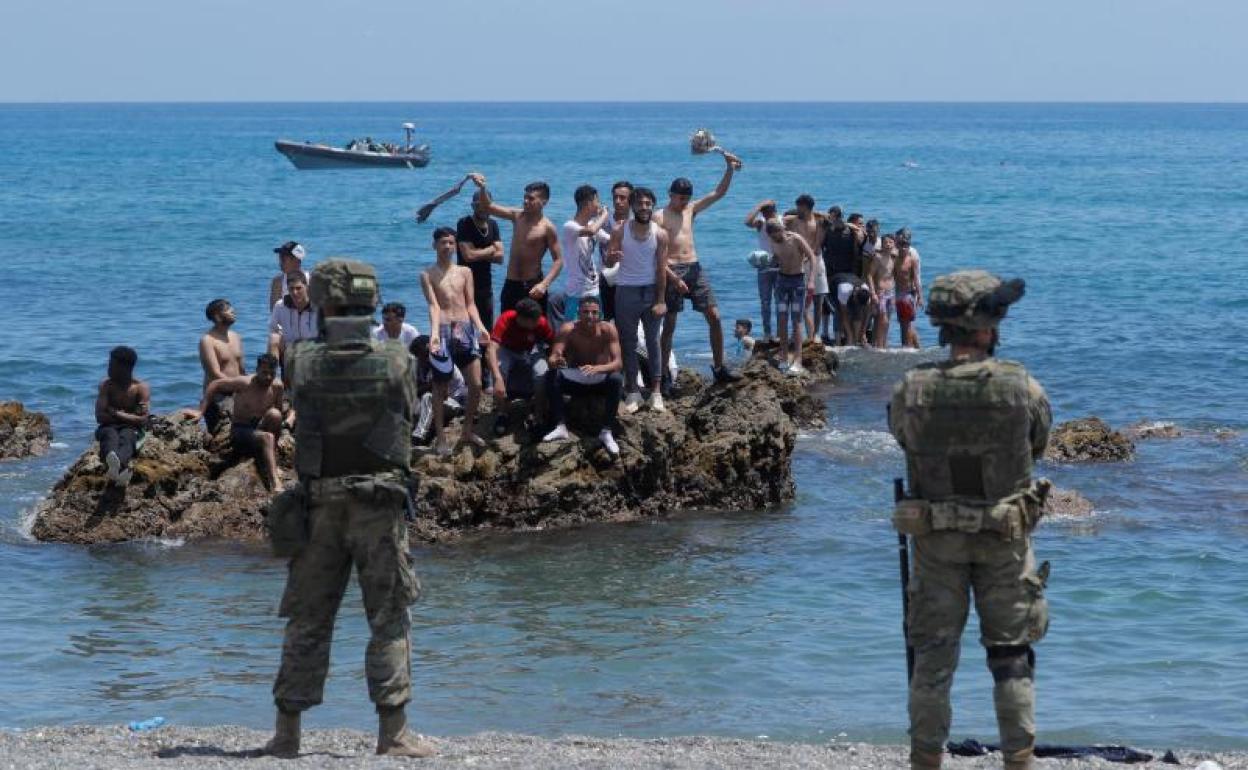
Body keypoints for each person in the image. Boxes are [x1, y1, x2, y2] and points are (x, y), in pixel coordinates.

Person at [264, 259, 431, 759]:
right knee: (389, 617)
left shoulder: (303, 361)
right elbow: (405, 405)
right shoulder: (398, 359)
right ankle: (393, 734)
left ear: (321, 301)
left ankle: (287, 735)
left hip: (320, 505)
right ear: (371, 302)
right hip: (378, 505)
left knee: (308, 618)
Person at [888, 270, 1051, 770]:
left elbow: (902, 437)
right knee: (1011, 660)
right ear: (985, 328)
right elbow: (1038, 442)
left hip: (937, 542)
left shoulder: (911, 390)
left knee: (932, 662)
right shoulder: (1020, 386)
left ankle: (925, 761)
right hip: (1003, 538)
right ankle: (1018, 761)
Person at [656, 151, 743, 386]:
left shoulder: (691, 210)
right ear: (670, 195)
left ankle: (719, 367)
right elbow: (656, 256)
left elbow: (719, 193)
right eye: (679, 197)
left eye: (686, 198)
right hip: (671, 270)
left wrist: (729, 169)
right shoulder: (658, 217)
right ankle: (663, 375)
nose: (683, 202)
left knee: (714, 316)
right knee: (670, 325)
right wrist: (673, 279)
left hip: (695, 268)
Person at [421, 226, 490, 452]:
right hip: (442, 329)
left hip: (465, 328)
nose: (448, 246)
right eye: (443, 242)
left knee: (477, 384)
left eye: (451, 242)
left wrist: (480, 327)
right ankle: (441, 438)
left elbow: (471, 304)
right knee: (440, 388)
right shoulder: (427, 274)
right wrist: (433, 335)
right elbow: (433, 306)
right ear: (435, 245)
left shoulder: (464, 272)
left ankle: (467, 430)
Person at [604, 186, 669, 412]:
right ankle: (632, 391)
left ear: (652, 206)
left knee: (653, 342)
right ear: (632, 206)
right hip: (626, 291)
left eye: (648, 204)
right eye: (640, 204)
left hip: (651, 292)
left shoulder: (660, 233)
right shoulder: (620, 230)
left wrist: (661, 300)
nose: (644, 208)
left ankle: (656, 392)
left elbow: (661, 269)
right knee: (628, 343)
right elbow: (609, 262)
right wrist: (612, 256)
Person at [188, 353, 286, 490]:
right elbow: (215, 384)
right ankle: (275, 482)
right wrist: (200, 411)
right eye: (264, 372)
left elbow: (279, 413)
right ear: (257, 369)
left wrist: (279, 433)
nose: (268, 377)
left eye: (272, 373)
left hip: (259, 427)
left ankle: (270, 456)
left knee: (275, 415)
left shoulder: (277, 387)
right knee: (267, 437)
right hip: (240, 431)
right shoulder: (244, 383)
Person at [541, 296, 624, 457]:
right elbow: (552, 357)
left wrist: (599, 368)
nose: (590, 316)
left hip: (599, 379)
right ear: (578, 313)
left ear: (600, 313)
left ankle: (606, 431)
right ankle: (560, 426)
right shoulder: (568, 329)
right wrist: (556, 360)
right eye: (586, 312)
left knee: (616, 379)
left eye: (594, 312)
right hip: (576, 378)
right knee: (552, 375)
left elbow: (618, 363)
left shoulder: (608, 330)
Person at [469, 174, 563, 315]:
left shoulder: (547, 227)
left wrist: (544, 284)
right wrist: (482, 188)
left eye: (531, 198)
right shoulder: (517, 216)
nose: (525, 201)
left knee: (534, 331)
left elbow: (559, 260)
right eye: (525, 197)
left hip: (533, 285)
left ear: (544, 201)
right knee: (506, 328)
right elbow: (488, 207)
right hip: (511, 284)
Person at [485, 298, 554, 435]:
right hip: (508, 350)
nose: (536, 323)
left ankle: (538, 415)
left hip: (531, 350)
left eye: (537, 320)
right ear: (520, 318)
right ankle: (502, 413)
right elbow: (490, 350)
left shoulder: (541, 322)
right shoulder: (506, 319)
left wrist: (554, 357)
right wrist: (497, 378)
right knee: (498, 368)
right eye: (532, 321)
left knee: (541, 372)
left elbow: (553, 342)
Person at [94, 346, 150, 488]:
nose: (108, 368)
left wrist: (116, 413)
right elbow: (100, 417)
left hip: (130, 428)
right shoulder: (106, 385)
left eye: (112, 365)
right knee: (109, 436)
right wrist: (129, 417)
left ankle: (117, 467)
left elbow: (142, 419)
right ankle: (118, 466)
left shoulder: (140, 388)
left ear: (125, 368)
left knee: (128, 437)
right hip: (107, 426)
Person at [765, 220, 816, 373]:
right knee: (781, 319)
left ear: (782, 230)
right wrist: (765, 263)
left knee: (796, 320)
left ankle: (798, 359)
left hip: (797, 283)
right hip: (781, 282)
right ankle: (783, 357)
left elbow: (812, 257)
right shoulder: (772, 241)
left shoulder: (796, 239)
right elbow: (776, 258)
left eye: (777, 234)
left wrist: (811, 280)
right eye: (772, 236)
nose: (775, 238)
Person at [557, 184, 611, 325]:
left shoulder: (592, 224)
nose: (598, 205)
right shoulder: (570, 226)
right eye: (597, 201)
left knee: (596, 329)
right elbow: (591, 231)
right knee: (571, 330)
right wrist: (604, 215)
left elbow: (609, 239)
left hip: (593, 289)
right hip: (576, 292)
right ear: (589, 203)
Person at [455, 191, 504, 333]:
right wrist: (490, 250)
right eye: (478, 205)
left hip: (485, 285)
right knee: (465, 328)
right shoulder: (464, 223)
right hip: (465, 284)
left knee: (487, 328)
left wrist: (478, 252)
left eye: (486, 205)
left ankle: (485, 354)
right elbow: (468, 256)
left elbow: (500, 257)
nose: (482, 208)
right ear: (473, 206)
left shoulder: (493, 224)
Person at [409, 335, 467, 446]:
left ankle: (419, 436)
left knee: (428, 397)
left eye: (420, 354)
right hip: (435, 405)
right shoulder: (419, 366)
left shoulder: (442, 363)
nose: (419, 358)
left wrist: (423, 388)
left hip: (454, 403)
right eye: (417, 355)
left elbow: (441, 394)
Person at [198, 298, 245, 433]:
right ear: (218, 317)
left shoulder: (236, 336)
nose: (233, 311)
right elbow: (214, 373)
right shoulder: (207, 340)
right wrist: (239, 385)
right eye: (228, 309)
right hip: (219, 394)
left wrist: (250, 385)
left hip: (237, 390)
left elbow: (241, 369)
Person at [783, 195, 826, 341]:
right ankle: (799, 333)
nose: (797, 209)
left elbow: (818, 242)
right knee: (800, 299)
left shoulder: (819, 221)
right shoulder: (792, 220)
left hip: (816, 260)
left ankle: (815, 334)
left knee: (818, 299)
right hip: (799, 261)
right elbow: (778, 221)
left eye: (799, 207)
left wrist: (810, 254)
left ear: (806, 207)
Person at [821, 206, 865, 343]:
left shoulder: (852, 231)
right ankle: (837, 338)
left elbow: (862, 241)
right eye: (833, 216)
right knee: (836, 307)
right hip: (833, 274)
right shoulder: (827, 230)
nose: (835, 219)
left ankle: (847, 338)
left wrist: (851, 226)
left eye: (837, 216)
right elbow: (820, 247)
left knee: (846, 306)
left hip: (849, 274)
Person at [744, 199, 782, 341]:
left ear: (773, 210)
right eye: (763, 212)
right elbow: (747, 222)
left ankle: (780, 333)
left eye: (766, 211)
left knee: (780, 301)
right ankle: (767, 333)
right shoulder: (761, 222)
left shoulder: (782, 220)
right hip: (764, 266)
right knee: (765, 302)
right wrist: (758, 206)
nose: (764, 214)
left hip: (780, 265)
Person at [597, 180, 634, 321]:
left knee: (627, 322)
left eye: (622, 198)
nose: (618, 201)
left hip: (631, 281)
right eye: (615, 197)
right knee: (605, 321)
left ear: (631, 200)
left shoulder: (637, 222)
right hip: (607, 279)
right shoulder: (603, 221)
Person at [268, 271, 319, 362]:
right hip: (290, 349)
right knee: (274, 338)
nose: (295, 292)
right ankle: (272, 372)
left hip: (313, 350)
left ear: (306, 287)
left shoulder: (318, 307)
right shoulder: (280, 306)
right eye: (291, 289)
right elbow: (273, 328)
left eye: (298, 288)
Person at [867, 233, 898, 349]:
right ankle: (879, 346)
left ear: (894, 244)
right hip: (881, 292)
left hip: (891, 292)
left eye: (890, 242)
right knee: (882, 320)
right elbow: (870, 275)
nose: (888, 244)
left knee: (887, 321)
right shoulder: (878, 257)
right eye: (886, 242)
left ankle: (883, 345)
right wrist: (873, 293)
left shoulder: (894, 258)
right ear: (882, 244)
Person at [895, 228, 924, 348]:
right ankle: (912, 346)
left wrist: (919, 296)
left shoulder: (912, 255)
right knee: (905, 323)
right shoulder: (896, 252)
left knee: (907, 324)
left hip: (909, 291)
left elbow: (916, 278)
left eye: (903, 243)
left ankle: (910, 346)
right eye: (898, 242)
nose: (901, 245)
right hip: (899, 292)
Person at [830, 272, 873, 346]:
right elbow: (844, 315)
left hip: (853, 281)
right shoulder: (844, 291)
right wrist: (849, 335)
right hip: (834, 285)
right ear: (855, 296)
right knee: (839, 313)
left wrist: (863, 333)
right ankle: (838, 341)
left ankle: (855, 340)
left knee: (858, 313)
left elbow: (867, 315)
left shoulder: (866, 294)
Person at [269, 241, 310, 312]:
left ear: (296, 260)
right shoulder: (278, 282)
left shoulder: (310, 280)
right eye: (280, 259)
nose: (280, 263)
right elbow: (274, 311)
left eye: (283, 259)